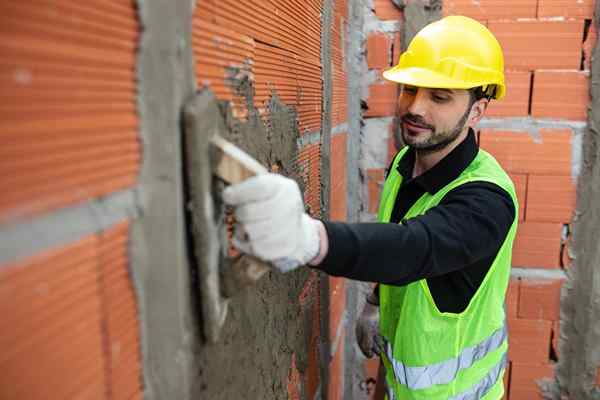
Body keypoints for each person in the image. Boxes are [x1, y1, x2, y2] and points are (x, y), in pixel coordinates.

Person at [223, 15, 518, 400]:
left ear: (477, 112)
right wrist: (376, 304)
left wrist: (309, 239)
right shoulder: (406, 162)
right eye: (411, 89)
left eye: (439, 97)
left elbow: (416, 247)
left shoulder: (487, 201)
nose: (415, 108)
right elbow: (397, 239)